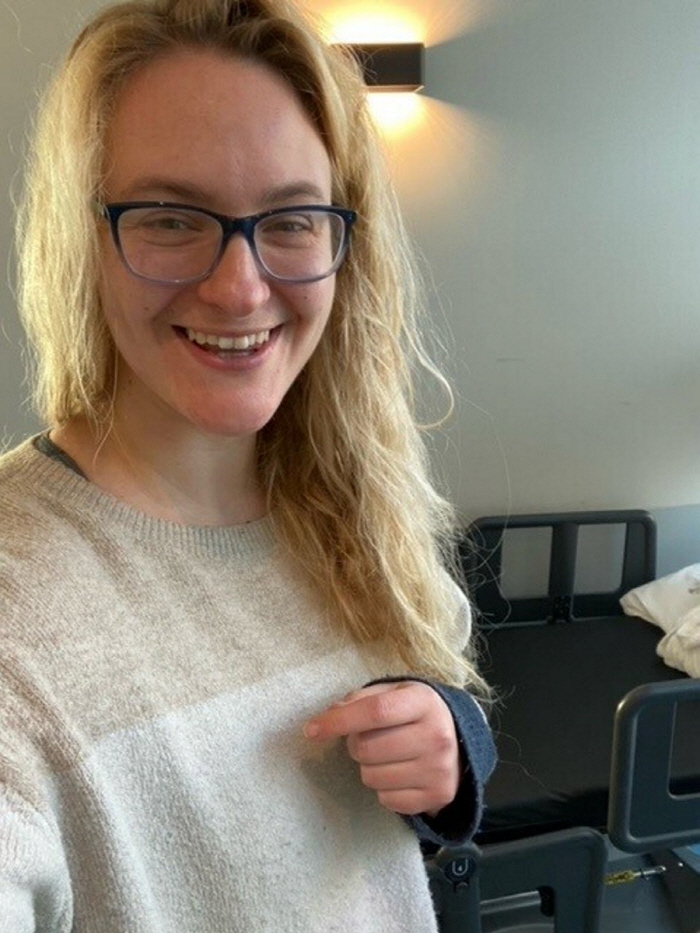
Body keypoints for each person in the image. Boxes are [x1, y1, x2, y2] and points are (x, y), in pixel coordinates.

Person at [0, 0, 495, 929]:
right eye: (170, 218)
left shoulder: (346, 502)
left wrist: (450, 737)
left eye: (292, 220)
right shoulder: (17, 605)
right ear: (86, 238)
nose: (239, 288)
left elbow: (425, 695)